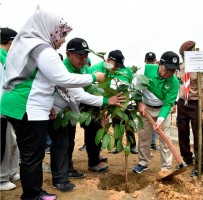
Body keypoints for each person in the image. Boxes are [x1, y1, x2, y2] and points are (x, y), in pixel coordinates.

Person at [0, 10, 106, 200]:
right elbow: (61, 78)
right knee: (32, 155)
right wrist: (92, 77)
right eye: (61, 33)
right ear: (48, 29)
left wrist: (47, 105)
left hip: (29, 106)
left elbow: (40, 81)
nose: (63, 38)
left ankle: (35, 191)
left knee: (35, 153)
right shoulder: (42, 49)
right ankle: (32, 195)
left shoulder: (30, 45)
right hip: (26, 107)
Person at [49, 38, 124, 192]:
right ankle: (60, 177)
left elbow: (87, 87)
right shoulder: (65, 70)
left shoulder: (83, 68)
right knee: (62, 144)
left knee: (68, 142)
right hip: (58, 112)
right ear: (68, 54)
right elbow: (80, 95)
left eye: (85, 56)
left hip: (70, 110)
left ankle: (67, 169)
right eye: (80, 56)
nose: (83, 60)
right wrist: (106, 100)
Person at [132, 51, 180, 174]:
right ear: (159, 64)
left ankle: (166, 168)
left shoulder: (174, 82)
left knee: (165, 139)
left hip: (162, 110)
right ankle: (143, 162)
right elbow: (135, 87)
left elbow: (168, 103)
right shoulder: (146, 69)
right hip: (145, 109)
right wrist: (139, 102)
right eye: (168, 69)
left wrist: (160, 119)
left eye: (173, 70)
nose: (170, 73)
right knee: (144, 137)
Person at [89, 50, 138, 155]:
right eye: (116, 65)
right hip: (112, 103)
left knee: (129, 125)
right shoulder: (98, 69)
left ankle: (132, 146)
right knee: (116, 126)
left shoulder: (127, 71)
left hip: (125, 102)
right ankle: (118, 146)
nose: (117, 68)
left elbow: (130, 84)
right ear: (108, 60)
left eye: (119, 66)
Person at [176, 41, 203, 177]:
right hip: (182, 102)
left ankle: (200, 163)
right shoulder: (179, 68)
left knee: (198, 134)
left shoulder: (200, 68)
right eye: (185, 54)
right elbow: (176, 86)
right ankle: (186, 157)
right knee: (182, 131)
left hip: (196, 103)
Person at [0, 27, 20, 191]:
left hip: (9, 108)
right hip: (3, 108)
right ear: (11, 41)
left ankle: (11, 172)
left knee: (12, 141)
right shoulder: (1, 59)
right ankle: (1, 177)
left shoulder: (7, 58)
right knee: (5, 144)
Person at [144, 52, 161, 152]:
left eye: (152, 60)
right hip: (146, 105)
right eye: (148, 60)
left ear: (155, 60)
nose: (150, 62)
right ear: (145, 61)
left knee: (156, 126)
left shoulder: (159, 72)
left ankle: (153, 143)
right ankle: (146, 150)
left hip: (159, 105)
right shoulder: (143, 71)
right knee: (146, 129)